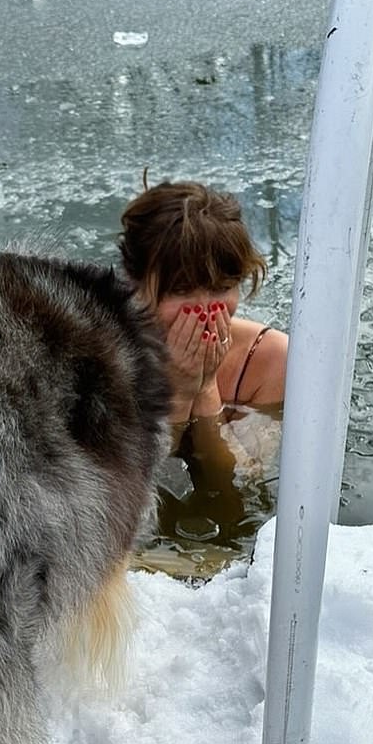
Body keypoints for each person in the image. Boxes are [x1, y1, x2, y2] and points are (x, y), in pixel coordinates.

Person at [118, 179, 288, 576]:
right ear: (134, 285)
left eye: (220, 288)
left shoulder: (268, 359)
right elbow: (137, 501)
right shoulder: (103, 354)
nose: (205, 310)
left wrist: (206, 388)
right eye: (182, 291)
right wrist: (176, 394)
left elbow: (235, 493)